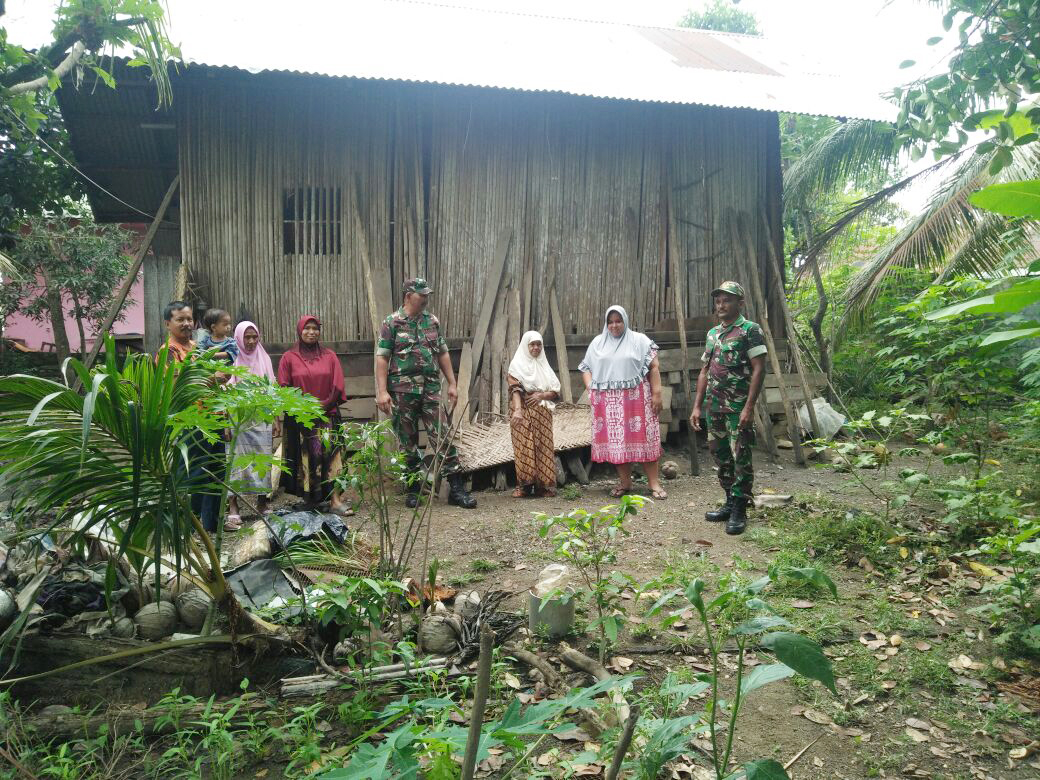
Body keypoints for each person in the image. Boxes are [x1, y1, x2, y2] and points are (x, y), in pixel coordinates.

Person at [375, 277, 476, 509]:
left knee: (443, 435)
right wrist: (382, 391)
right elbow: (382, 358)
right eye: (422, 295)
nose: (426, 299)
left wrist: (452, 383)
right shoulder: (392, 322)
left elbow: (442, 352)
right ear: (408, 296)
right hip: (402, 391)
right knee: (407, 441)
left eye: (427, 295)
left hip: (431, 389)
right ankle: (413, 489)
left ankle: (456, 489)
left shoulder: (432, 321)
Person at [689, 281, 767, 536]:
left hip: (737, 408)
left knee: (740, 457)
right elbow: (704, 370)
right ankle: (730, 501)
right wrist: (697, 406)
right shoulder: (713, 333)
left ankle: (740, 509)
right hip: (715, 408)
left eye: (727, 300)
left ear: (740, 303)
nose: (721, 305)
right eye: (718, 301)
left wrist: (749, 408)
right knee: (720, 455)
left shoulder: (750, 330)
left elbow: (759, 369)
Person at [579, 305, 667, 500]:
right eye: (610, 322)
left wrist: (657, 393)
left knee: (646, 439)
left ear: (625, 321)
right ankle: (626, 483)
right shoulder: (597, 343)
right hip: (608, 402)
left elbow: (654, 366)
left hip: (638, 398)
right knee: (617, 443)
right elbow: (585, 367)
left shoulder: (639, 340)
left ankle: (654, 483)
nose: (614, 325)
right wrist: (591, 389)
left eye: (618, 321)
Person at [276, 315, 352, 516]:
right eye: (307, 328)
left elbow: (338, 385)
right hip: (301, 419)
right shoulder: (288, 358)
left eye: (315, 328)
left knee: (332, 456)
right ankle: (310, 500)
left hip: (328, 416)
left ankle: (335, 500)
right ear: (299, 330)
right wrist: (303, 409)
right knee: (306, 457)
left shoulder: (330, 356)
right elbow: (284, 387)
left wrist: (323, 406)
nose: (311, 332)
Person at [157, 301, 220, 533]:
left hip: (212, 417)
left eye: (189, 319)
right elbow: (179, 386)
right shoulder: (168, 352)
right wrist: (212, 378)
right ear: (168, 324)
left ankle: (211, 526)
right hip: (190, 421)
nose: (186, 323)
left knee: (215, 472)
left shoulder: (197, 347)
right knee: (194, 473)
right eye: (180, 319)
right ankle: (188, 528)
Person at [225, 321, 277, 529]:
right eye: (247, 337)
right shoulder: (232, 359)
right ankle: (233, 507)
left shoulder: (265, 358)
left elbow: (272, 390)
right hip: (237, 420)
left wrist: (276, 419)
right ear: (238, 338)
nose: (251, 341)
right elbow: (225, 394)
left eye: (254, 337)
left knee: (262, 459)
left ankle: (262, 502)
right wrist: (225, 424)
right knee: (234, 461)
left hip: (261, 418)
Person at [507, 331, 561, 498]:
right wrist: (518, 411)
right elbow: (515, 389)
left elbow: (555, 391)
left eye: (539, 344)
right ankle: (524, 486)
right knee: (523, 445)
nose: (536, 347)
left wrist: (541, 395)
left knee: (543, 446)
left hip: (542, 412)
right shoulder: (516, 365)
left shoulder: (544, 366)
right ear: (526, 345)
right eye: (532, 344)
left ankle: (543, 487)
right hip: (522, 409)